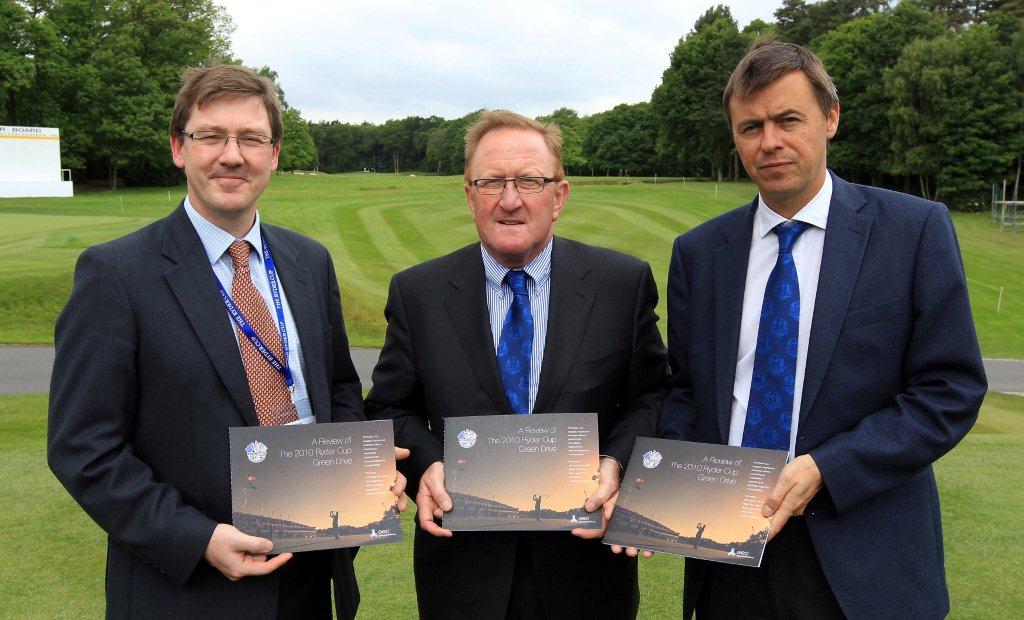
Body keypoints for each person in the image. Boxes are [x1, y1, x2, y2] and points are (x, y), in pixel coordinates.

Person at [47, 64, 405, 619]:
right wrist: (195, 538)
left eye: (251, 138)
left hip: (309, 578)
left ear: (275, 153)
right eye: (211, 136)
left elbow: (337, 389)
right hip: (189, 591)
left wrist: (362, 468)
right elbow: (82, 447)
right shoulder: (116, 274)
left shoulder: (308, 262)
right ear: (178, 148)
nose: (231, 155)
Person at [657, 40, 987, 618]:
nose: (770, 142)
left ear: (830, 119)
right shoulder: (700, 252)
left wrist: (827, 470)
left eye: (789, 120)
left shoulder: (912, 231)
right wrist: (659, 488)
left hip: (862, 553)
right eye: (750, 126)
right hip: (727, 554)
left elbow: (949, 390)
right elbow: (684, 392)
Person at [365, 110, 669, 619]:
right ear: (469, 194)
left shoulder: (621, 284)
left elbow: (652, 397)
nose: (510, 200)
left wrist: (616, 462)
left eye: (530, 181)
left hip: (587, 569)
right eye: (491, 182)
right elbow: (388, 407)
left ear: (560, 196)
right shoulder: (419, 293)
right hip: (463, 572)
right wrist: (427, 465)